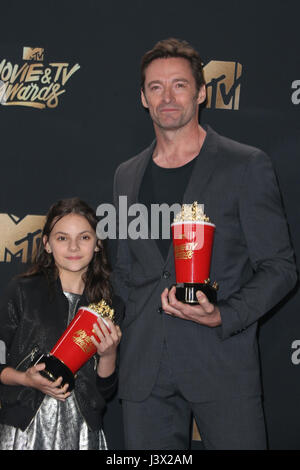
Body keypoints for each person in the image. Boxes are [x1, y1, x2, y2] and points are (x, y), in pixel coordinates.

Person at [112, 38, 297, 450]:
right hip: (144, 372)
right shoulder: (126, 175)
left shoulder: (245, 165)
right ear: (143, 97)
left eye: (179, 85)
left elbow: (280, 268)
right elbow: (125, 270)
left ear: (201, 92)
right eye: (156, 87)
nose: (167, 97)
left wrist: (225, 315)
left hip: (221, 362)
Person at [0, 197, 123, 450]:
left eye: (85, 237)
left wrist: (108, 354)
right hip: (25, 429)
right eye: (62, 238)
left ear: (98, 244)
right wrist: (26, 379)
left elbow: (107, 390)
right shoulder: (22, 291)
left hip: (83, 432)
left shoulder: (110, 306)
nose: (74, 247)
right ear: (47, 244)